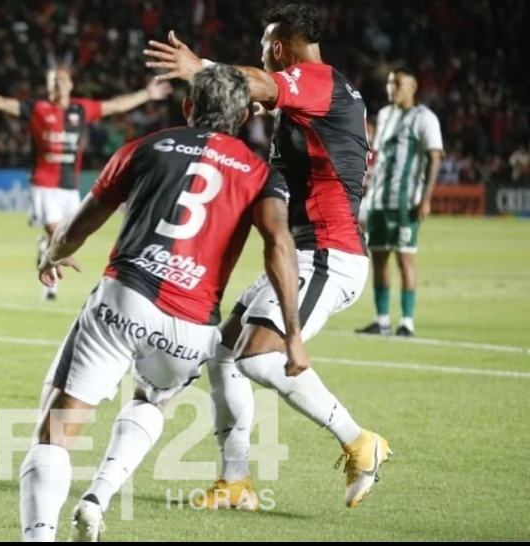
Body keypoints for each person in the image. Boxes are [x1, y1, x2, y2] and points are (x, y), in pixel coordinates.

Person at [19, 63, 306, 542]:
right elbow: (279, 243)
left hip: (125, 299)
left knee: (56, 431)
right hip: (192, 326)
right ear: (242, 118)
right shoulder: (261, 174)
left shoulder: (147, 146)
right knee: (153, 398)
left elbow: (81, 224)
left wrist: (52, 254)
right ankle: (97, 498)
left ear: (188, 107)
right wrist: (293, 333)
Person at [143, 3, 391, 510]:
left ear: (278, 47)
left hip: (329, 254)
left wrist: (201, 69)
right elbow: (284, 110)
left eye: (263, 47)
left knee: (258, 355)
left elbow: (260, 83)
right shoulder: (320, 94)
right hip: (304, 252)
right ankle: (235, 482)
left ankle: (359, 441)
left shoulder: (318, 80)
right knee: (224, 351)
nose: (261, 56)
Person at [0, 66, 172, 301]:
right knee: (57, 232)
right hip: (43, 184)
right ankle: (51, 285)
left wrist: (146, 94)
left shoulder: (81, 109)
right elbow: (1, 103)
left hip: (69, 187)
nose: (57, 85)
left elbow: (114, 105)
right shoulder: (38, 109)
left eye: (61, 80)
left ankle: (46, 247)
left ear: (70, 85)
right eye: (53, 81)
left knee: (70, 234)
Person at [356, 70, 444, 337]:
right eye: (389, 83)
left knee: (405, 259)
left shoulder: (425, 118)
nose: (391, 88)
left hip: (406, 202)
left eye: (397, 83)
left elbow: (435, 158)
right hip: (378, 200)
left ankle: (407, 322)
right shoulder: (384, 115)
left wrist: (426, 198)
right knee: (379, 258)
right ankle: (382, 320)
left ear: (413, 87)